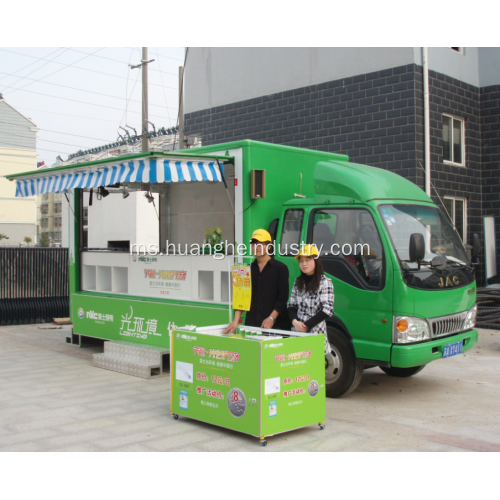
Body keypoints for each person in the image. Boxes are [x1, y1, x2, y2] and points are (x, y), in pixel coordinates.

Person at [224, 229, 289, 334]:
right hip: (251, 324)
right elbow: (241, 297)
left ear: (269, 246)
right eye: (253, 244)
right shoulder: (245, 270)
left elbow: (282, 299)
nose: (256, 247)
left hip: (274, 325)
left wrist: (271, 318)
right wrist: (235, 321)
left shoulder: (280, 268)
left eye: (260, 244)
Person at [287, 244, 334, 354]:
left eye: (308, 260)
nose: (304, 264)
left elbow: (327, 310)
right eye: (301, 261)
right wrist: (295, 322)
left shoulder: (325, 282)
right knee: (296, 368)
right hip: (296, 332)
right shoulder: (298, 281)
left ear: (316, 261)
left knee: (313, 368)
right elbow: (291, 305)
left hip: (315, 332)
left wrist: (306, 326)